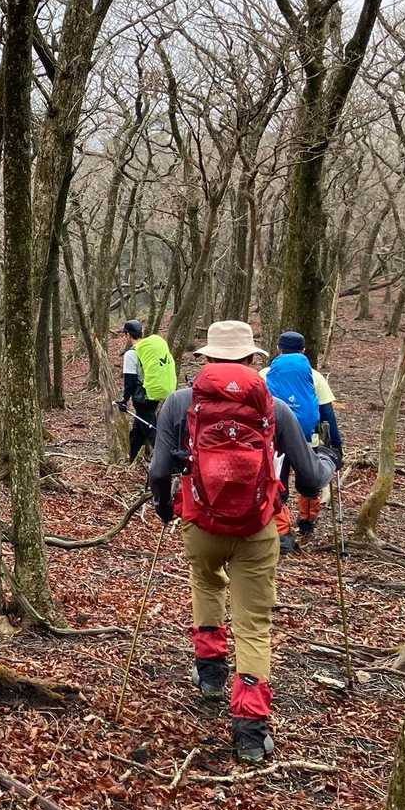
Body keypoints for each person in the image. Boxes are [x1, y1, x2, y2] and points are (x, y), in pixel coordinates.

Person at [148, 320, 341, 762]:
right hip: (258, 527)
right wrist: (329, 460)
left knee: (206, 583)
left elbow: (159, 471)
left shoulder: (179, 403)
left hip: (201, 523)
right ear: (253, 360)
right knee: (253, 625)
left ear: (207, 358)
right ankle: (251, 731)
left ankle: (211, 674)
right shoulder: (275, 407)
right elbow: (310, 480)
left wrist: (164, 508)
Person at [267, 331, 343, 543]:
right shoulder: (315, 376)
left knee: (277, 479)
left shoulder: (265, 373)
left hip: (275, 439)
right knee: (309, 478)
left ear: (278, 349)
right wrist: (336, 445)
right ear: (303, 350)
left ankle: (281, 532)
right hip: (308, 437)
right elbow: (327, 412)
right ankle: (307, 521)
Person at [117, 320, 177, 462]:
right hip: (153, 394)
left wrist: (124, 400)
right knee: (139, 430)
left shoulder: (131, 354)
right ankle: (131, 459)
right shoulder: (148, 349)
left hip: (142, 397)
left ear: (127, 335)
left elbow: (130, 381)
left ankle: (171, 463)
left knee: (151, 431)